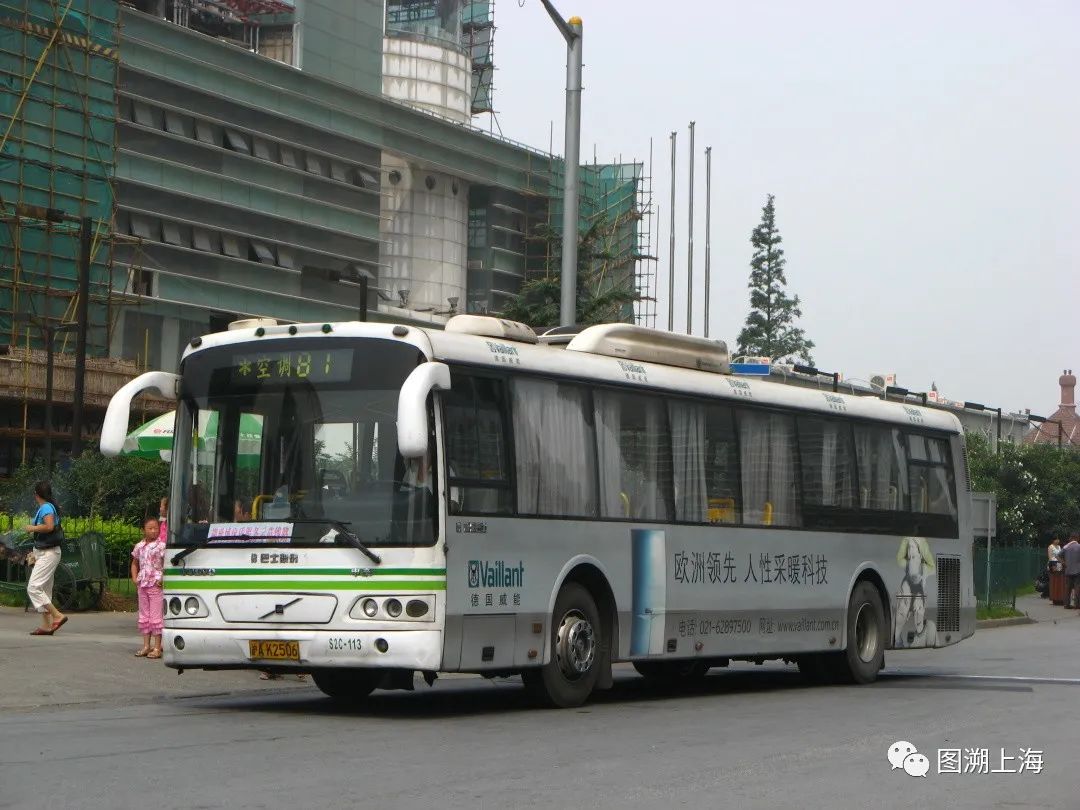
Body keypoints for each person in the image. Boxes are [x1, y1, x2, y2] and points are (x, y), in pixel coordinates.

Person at [24, 481, 67, 636]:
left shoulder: (46, 507)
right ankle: (47, 626)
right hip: (45, 552)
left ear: (36, 494)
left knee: (33, 587)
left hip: (49, 553)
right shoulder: (47, 507)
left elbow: (48, 527)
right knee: (44, 590)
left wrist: (32, 528)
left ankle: (57, 615)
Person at [130, 516, 166, 658]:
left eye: (155, 528)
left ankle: (157, 647)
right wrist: (134, 577)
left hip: (155, 583)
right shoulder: (139, 546)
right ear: (143, 530)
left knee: (156, 616)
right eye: (150, 528)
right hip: (143, 583)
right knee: (144, 615)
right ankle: (146, 645)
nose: (153, 531)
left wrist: (162, 579)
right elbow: (134, 562)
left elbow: (166, 565)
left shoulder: (161, 546)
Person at [1060, 535, 1080, 609]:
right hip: (1078, 571)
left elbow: (1057, 556)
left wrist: (1063, 562)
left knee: (1067, 588)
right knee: (1077, 587)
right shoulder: (1079, 546)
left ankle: (1066, 605)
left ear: (1071, 539)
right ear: (1076, 539)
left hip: (1068, 571)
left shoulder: (1066, 547)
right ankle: (1077, 605)